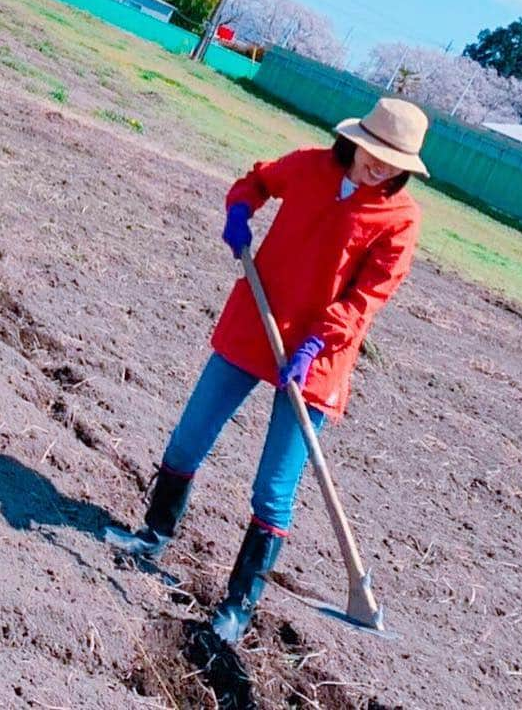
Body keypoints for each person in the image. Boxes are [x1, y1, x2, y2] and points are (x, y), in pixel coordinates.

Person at [107, 97, 428, 644]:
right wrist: (239, 211)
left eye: (394, 162)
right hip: (255, 321)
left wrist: (313, 346)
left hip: (317, 358)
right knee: (189, 439)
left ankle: (237, 607)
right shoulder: (308, 166)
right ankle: (154, 533)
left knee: (273, 489)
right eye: (375, 152)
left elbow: (367, 299)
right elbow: (255, 183)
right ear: (356, 140)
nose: (381, 167)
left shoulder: (399, 218)